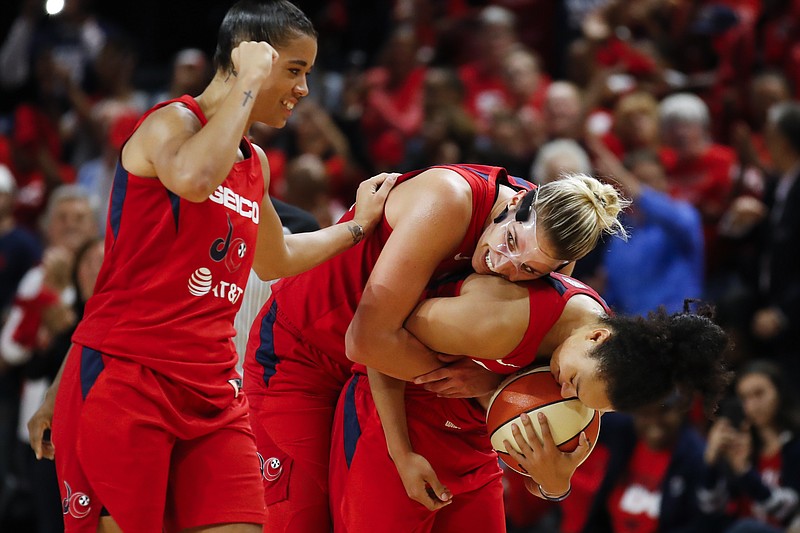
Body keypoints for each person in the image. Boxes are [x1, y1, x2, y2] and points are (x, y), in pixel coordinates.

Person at [25, 1, 396, 532]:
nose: (304, 90)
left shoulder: (253, 162)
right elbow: (195, 180)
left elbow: (276, 259)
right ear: (250, 61)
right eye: (293, 70)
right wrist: (245, 85)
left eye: (308, 73)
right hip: (129, 378)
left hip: (214, 391)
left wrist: (357, 225)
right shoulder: (168, 123)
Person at [244, 167, 628, 532]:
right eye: (509, 242)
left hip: (381, 366)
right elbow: (368, 340)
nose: (504, 266)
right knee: (297, 520)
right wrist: (487, 383)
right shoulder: (449, 199)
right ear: (515, 203)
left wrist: (552, 480)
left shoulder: (553, 251)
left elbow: (507, 402)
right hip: (303, 352)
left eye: (529, 271)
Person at [329, 272, 731, 532]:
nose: (565, 393)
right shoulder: (504, 318)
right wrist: (401, 454)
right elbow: (376, 336)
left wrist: (555, 482)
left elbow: (538, 474)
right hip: (397, 420)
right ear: (595, 337)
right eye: (572, 383)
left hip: (471, 450)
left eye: (587, 402)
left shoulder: (597, 370)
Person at [700, 360, 800, 532]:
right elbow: (711, 508)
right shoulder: (744, 445)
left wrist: (744, 472)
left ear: (779, 393)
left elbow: (788, 510)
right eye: (745, 398)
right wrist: (711, 462)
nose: (752, 405)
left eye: (759, 394)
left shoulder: (794, 445)